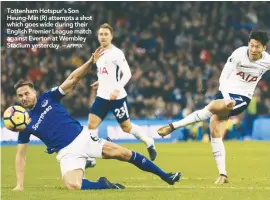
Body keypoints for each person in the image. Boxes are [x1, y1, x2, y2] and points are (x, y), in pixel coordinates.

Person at [12, 48, 180, 191]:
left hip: (83, 138)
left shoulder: (48, 97)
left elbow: (72, 79)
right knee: (73, 186)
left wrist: (91, 61)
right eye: (20, 96)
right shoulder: (23, 121)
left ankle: (166, 176)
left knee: (123, 153)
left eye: (27, 93)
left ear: (34, 92)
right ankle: (103, 184)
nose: (24, 97)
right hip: (66, 153)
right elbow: (21, 155)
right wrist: (19, 184)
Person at [157, 30, 270, 184]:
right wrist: (227, 98)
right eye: (251, 45)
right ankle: (223, 174)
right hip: (225, 93)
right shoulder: (239, 54)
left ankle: (173, 126)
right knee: (214, 132)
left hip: (242, 98)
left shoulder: (267, 61)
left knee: (211, 107)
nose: (253, 50)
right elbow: (223, 77)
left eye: (258, 47)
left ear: (264, 47)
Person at [89, 23, 157, 161]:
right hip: (102, 96)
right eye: (101, 34)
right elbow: (107, 73)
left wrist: (116, 89)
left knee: (126, 127)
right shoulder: (98, 53)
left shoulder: (117, 53)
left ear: (111, 36)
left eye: (106, 34)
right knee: (91, 125)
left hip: (117, 97)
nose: (103, 37)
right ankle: (91, 157)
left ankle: (149, 141)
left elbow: (127, 74)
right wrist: (101, 81)